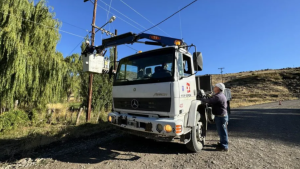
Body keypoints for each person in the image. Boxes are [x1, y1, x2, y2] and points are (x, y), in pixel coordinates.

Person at [201, 83, 229, 151]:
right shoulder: (219, 95)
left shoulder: (218, 96)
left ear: (219, 88)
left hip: (220, 117)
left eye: (216, 86)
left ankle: (224, 147)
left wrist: (202, 99)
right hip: (222, 116)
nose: (214, 87)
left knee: (222, 132)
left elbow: (209, 101)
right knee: (221, 131)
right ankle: (222, 143)